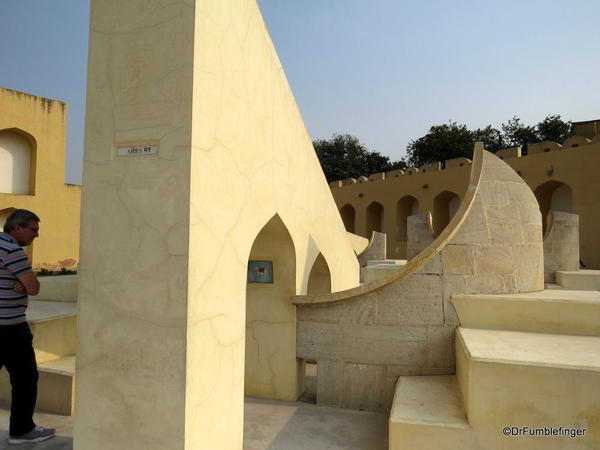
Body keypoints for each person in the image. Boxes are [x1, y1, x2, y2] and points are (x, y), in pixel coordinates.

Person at [0, 209, 55, 444]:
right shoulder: (13, 251)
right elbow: (33, 287)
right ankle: (21, 430)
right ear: (17, 228)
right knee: (25, 379)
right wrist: (25, 282)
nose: (36, 235)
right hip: (10, 328)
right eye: (33, 230)